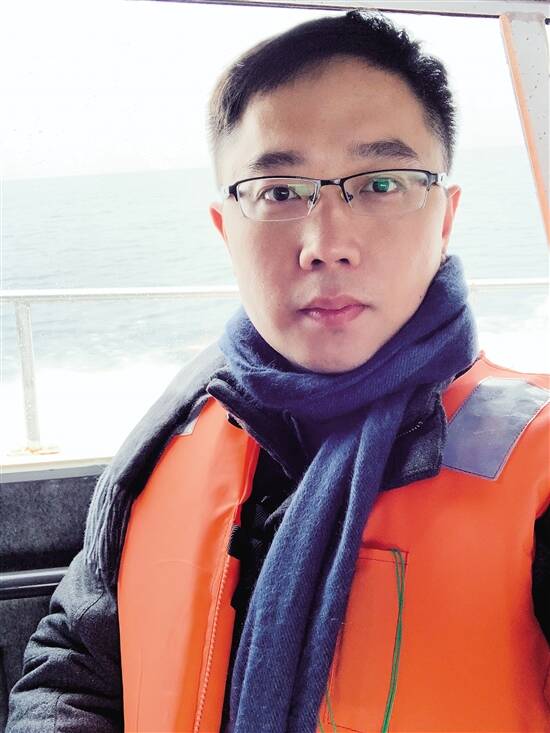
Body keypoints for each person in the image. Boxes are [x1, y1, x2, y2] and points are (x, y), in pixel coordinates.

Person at [6, 10, 550, 733]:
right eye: (279, 192)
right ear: (224, 227)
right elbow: (75, 665)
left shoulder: (540, 468)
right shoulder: (173, 427)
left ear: (445, 218)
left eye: (382, 183)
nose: (327, 242)